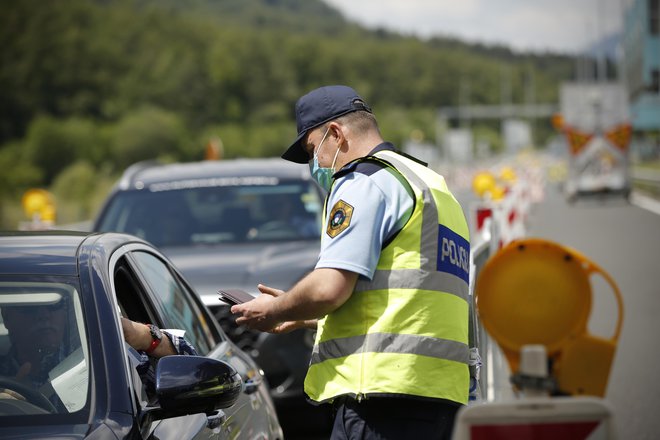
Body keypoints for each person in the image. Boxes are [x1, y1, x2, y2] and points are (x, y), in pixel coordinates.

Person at [231, 85, 471, 439]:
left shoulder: (363, 180)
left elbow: (330, 287)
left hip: (381, 403)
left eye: (313, 150)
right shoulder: (430, 185)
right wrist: (302, 317)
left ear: (336, 134)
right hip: (437, 396)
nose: (317, 165)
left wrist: (277, 308)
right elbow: (402, 297)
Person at [0, 298, 196, 409]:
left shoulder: (103, 356)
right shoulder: (3, 374)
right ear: (6, 318)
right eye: (30, 308)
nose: (43, 315)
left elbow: (194, 371)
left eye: (53, 305)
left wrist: (147, 338)